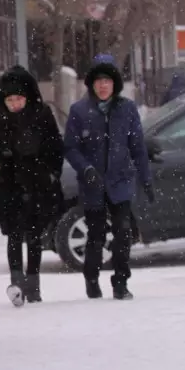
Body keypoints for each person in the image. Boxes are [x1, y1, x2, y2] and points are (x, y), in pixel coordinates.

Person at [64, 56, 151, 301]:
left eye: (107, 81)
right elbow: (70, 147)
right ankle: (91, 278)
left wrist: (145, 178)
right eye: (99, 81)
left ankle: (120, 282)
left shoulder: (127, 109)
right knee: (97, 235)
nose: (103, 86)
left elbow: (138, 147)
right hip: (93, 184)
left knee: (123, 233)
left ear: (115, 84)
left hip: (120, 181)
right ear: (92, 84)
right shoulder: (79, 111)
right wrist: (86, 169)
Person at [0, 66, 64, 306]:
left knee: (34, 236)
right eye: (10, 100)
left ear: (27, 97)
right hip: (9, 186)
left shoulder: (42, 115)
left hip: (37, 184)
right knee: (14, 236)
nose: (15, 104)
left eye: (18, 99)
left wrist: (51, 174)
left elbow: (55, 147)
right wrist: (3, 155)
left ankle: (33, 285)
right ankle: (17, 284)